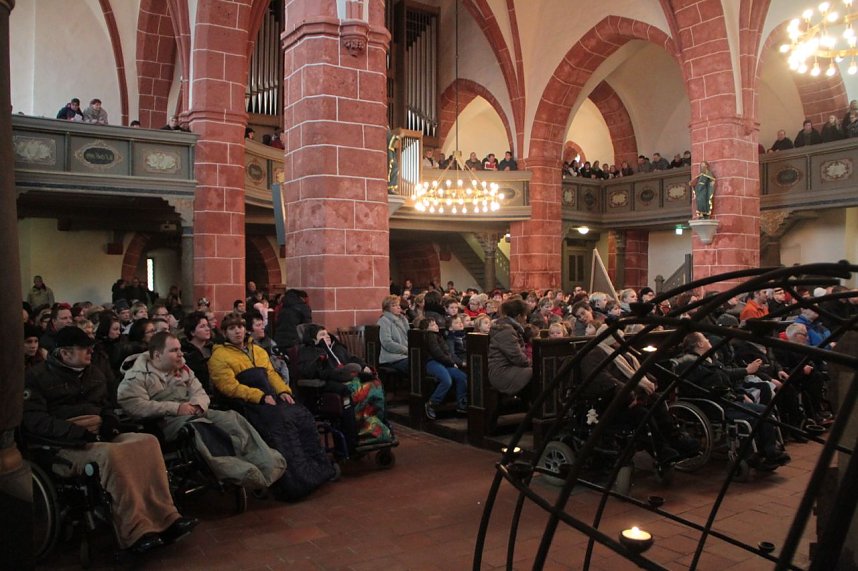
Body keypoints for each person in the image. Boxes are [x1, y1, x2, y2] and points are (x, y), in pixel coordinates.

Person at [23, 326, 197, 553]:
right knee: (114, 454)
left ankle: (168, 518)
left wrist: (109, 421)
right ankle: (135, 531)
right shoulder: (37, 377)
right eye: (84, 349)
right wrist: (76, 432)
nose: (90, 352)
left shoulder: (94, 373)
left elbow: (106, 406)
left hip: (98, 433)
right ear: (65, 353)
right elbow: (35, 420)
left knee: (148, 442)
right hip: (65, 443)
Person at [118, 332, 286, 491]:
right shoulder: (137, 376)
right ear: (157, 355)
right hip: (168, 421)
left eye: (180, 349)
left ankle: (267, 462)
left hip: (194, 410)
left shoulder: (183, 369)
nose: (180, 354)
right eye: (174, 350)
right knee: (202, 428)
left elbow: (199, 391)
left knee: (231, 417)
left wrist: (198, 405)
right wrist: (176, 408)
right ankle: (239, 470)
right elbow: (135, 405)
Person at [208, 313, 335, 500]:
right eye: (232, 328)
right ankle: (294, 482)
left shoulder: (258, 350)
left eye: (240, 327)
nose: (237, 331)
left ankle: (318, 470)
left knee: (302, 415)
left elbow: (272, 375)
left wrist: (284, 391)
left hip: (271, 397)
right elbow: (229, 387)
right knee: (281, 425)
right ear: (224, 332)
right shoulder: (219, 356)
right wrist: (259, 397)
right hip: (248, 403)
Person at [578, 325, 699, 464]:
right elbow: (603, 379)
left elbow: (637, 370)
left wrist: (650, 380)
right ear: (611, 340)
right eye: (619, 338)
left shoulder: (623, 354)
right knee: (641, 414)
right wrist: (628, 393)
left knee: (657, 402)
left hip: (632, 395)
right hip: (611, 401)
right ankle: (661, 450)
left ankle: (675, 439)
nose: (623, 341)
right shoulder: (594, 355)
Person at [676, 332, 790, 471]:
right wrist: (746, 371)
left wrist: (741, 395)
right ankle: (757, 454)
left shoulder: (711, 361)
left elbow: (726, 380)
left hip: (726, 399)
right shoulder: (689, 365)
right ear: (699, 344)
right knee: (754, 416)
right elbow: (704, 388)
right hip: (711, 404)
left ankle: (768, 451)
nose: (709, 340)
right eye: (705, 339)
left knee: (764, 410)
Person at [297, 324, 391, 445]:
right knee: (353, 389)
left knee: (375, 384)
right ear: (313, 340)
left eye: (326, 334)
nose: (326, 337)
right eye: (322, 335)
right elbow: (309, 371)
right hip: (331, 382)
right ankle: (356, 435)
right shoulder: (310, 351)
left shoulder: (337, 347)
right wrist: (323, 349)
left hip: (350, 375)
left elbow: (352, 358)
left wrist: (364, 366)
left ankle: (378, 428)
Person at [416, 318, 468, 419]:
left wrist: (453, 362)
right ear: (426, 329)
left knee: (462, 377)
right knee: (446, 380)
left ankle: (461, 404)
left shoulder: (438, 336)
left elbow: (447, 352)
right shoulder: (429, 335)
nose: (436, 326)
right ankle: (432, 403)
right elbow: (437, 353)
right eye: (432, 325)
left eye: (435, 324)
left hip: (443, 362)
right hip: (432, 362)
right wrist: (451, 363)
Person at [487, 299, 532, 396]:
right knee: (539, 371)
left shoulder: (507, 327)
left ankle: (529, 404)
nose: (526, 318)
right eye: (524, 315)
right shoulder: (506, 330)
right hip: (501, 373)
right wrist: (531, 362)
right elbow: (516, 357)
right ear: (519, 316)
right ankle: (534, 406)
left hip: (509, 368)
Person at [181, 312, 215, 394]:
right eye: (202, 326)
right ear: (192, 332)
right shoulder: (185, 352)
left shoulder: (213, 348)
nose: (207, 329)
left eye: (207, 325)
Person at [378, 294, 409, 376]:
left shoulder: (402, 319)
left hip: (405, 355)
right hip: (392, 357)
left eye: (398, 305)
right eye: (394, 305)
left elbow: (409, 337)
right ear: (387, 308)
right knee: (415, 365)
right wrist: (406, 350)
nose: (398, 307)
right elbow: (387, 343)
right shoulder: (384, 321)